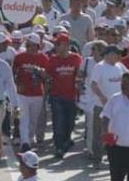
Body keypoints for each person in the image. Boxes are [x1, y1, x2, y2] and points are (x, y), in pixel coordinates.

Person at [45, 32, 83, 160]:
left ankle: (66, 140)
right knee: (58, 122)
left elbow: (80, 75)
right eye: (55, 44)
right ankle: (59, 147)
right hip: (56, 96)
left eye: (58, 44)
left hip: (71, 96)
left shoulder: (76, 58)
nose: (55, 46)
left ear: (66, 45)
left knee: (70, 123)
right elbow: (47, 75)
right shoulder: (53, 59)